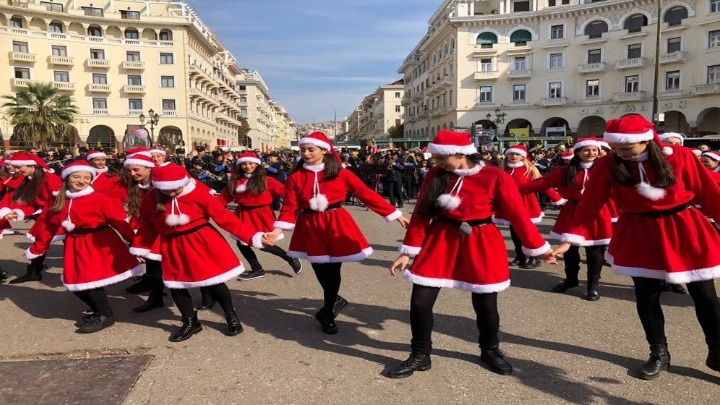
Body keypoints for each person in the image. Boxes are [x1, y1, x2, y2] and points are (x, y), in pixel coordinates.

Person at [550, 114, 720, 379]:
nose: (620, 154)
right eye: (615, 148)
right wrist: (568, 240)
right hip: (640, 232)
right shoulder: (609, 164)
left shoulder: (679, 156)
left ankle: (717, 352)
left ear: (646, 141)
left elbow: (709, 191)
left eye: (626, 149)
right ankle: (659, 353)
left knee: (706, 296)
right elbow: (591, 203)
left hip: (684, 227)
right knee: (647, 296)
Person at [386, 130, 553, 378]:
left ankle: (490, 350)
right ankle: (420, 355)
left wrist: (540, 248)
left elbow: (518, 215)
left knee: (485, 302)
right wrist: (407, 252)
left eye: (442, 157)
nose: (437, 163)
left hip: (481, 239)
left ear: (461, 153)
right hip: (441, 238)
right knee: (420, 300)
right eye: (436, 158)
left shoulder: (496, 176)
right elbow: (421, 212)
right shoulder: (436, 174)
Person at [263, 132, 409, 335]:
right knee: (320, 271)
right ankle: (334, 301)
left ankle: (328, 313)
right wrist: (277, 229)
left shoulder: (340, 173)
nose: (305, 153)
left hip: (335, 223)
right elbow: (289, 207)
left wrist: (395, 215)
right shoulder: (295, 177)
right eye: (303, 150)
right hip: (310, 225)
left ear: (324, 150)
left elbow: (366, 194)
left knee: (333, 271)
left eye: (310, 149)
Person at [131, 163, 264, 342]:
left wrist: (251, 236)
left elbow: (224, 218)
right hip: (172, 243)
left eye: (176, 189)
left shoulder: (198, 193)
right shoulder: (151, 198)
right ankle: (190, 321)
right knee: (176, 284)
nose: (172, 193)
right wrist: (141, 246)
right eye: (167, 190)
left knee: (214, 281)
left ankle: (230, 315)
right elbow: (147, 225)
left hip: (201, 240)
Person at [25, 161, 141, 333]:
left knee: (90, 280)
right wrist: (39, 248)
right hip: (74, 242)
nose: (82, 180)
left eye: (87, 177)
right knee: (74, 281)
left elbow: (119, 223)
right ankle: (97, 310)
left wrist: (135, 244)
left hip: (98, 242)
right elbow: (48, 226)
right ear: (67, 178)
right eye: (76, 176)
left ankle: (104, 314)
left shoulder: (100, 198)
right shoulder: (59, 200)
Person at [518, 138, 612, 301]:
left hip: (597, 212)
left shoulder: (606, 170)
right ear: (578, 152)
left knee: (595, 251)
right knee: (570, 250)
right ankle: (571, 279)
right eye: (586, 150)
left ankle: (593, 285)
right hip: (573, 210)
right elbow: (542, 183)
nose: (591, 153)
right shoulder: (566, 170)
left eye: (594, 150)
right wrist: (509, 189)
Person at [221, 152, 302, 281]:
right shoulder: (235, 181)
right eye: (244, 164)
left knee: (263, 243)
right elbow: (223, 198)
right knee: (242, 243)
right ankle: (257, 269)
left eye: (250, 163)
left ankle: (289, 257)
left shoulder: (266, 180)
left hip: (261, 214)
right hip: (243, 214)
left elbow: (285, 193)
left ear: (257, 164)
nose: (247, 166)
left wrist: (301, 197)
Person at [496, 144, 564, 269]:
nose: (514, 156)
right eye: (511, 154)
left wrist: (557, 199)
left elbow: (544, 185)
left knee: (528, 231)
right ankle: (520, 256)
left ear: (523, 156)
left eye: (517, 154)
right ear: (507, 155)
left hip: (526, 204)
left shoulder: (530, 170)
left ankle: (535, 257)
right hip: (510, 205)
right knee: (515, 233)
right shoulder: (502, 170)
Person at [0, 152, 62, 283]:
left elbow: (60, 200)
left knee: (70, 244)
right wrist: (18, 212)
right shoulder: (30, 179)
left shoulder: (49, 178)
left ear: (31, 165)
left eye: (19, 167)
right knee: (40, 241)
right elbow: (33, 203)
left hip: (59, 216)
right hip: (46, 214)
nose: (16, 171)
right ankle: (34, 271)